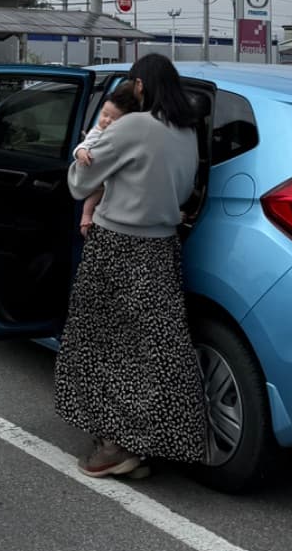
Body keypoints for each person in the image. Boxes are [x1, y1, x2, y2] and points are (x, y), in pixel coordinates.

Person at [55, 53, 207, 480]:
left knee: (103, 345)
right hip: (162, 248)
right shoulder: (187, 130)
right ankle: (143, 446)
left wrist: (87, 155)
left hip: (117, 245)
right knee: (154, 350)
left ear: (140, 86)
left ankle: (113, 446)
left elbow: (79, 182)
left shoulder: (134, 125)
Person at [74, 80, 140, 236]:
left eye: (114, 119)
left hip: (111, 182)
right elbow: (82, 146)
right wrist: (82, 152)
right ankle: (86, 215)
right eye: (104, 115)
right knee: (96, 194)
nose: (107, 120)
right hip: (98, 178)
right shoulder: (97, 130)